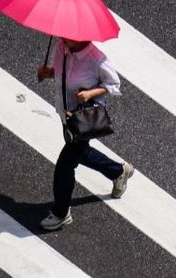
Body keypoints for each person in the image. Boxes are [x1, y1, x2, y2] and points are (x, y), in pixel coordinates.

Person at [35, 37, 135, 231]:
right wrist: (49, 73)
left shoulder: (96, 59)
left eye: (69, 36)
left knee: (65, 165)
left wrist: (91, 94)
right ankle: (119, 171)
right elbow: (64, 74)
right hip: (66, 113)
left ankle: (61, 213)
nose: (64, 38)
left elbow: (113, 84)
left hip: (85, 117)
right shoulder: (61, 49)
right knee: (81, 153)